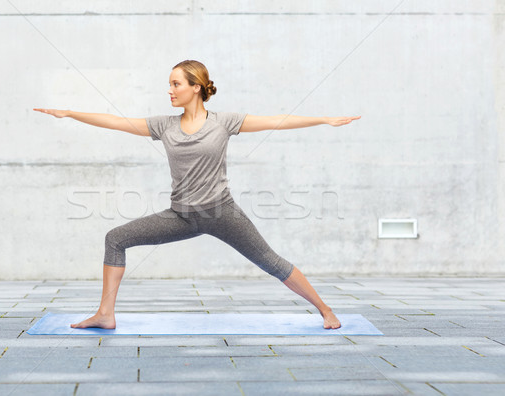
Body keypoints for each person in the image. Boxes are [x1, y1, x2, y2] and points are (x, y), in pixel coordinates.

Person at [34, 59, 360, 330]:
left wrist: (323, 120)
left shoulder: (223, 122)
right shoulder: (164, 126)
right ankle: (105, 314)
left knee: (272, 263)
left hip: (221, 213)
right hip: (180, 216)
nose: (170, 90)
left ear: (197, 87)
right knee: (116, 238)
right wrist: (70, 113)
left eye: (176, 84)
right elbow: (117, 122)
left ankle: (326, 310)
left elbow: (276, 120)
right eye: (170, 84)